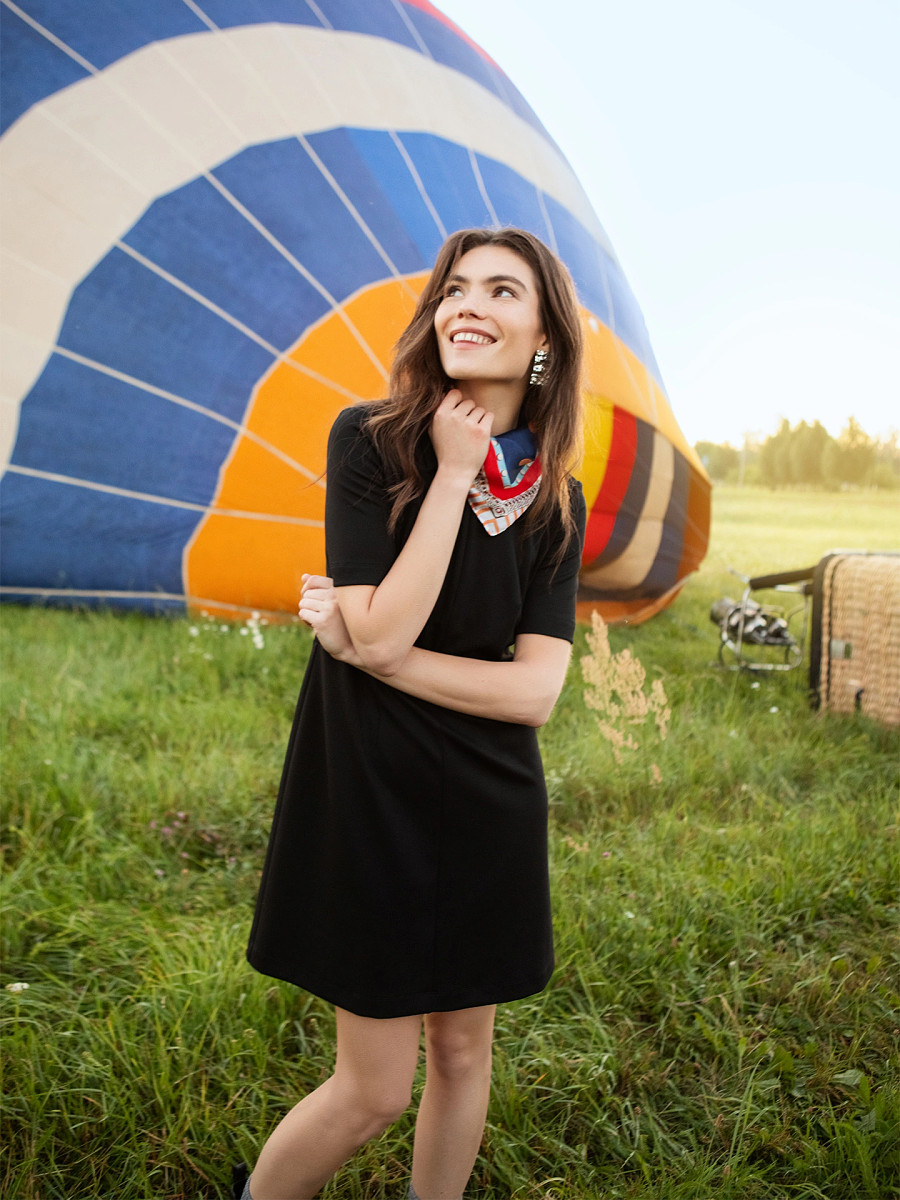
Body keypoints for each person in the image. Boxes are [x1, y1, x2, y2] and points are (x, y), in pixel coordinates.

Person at [238, 227, 587, 1200]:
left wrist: (366, 652)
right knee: (374, 1090)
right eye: (455, 288)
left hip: (488, 794)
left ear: (545, 339)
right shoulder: (370, 440)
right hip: (373, 780)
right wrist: (454, 473)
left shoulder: (555, 500)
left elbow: (534, 692)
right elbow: (388, 627)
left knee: (466, 1054)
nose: (468, 304)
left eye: (503, 291)